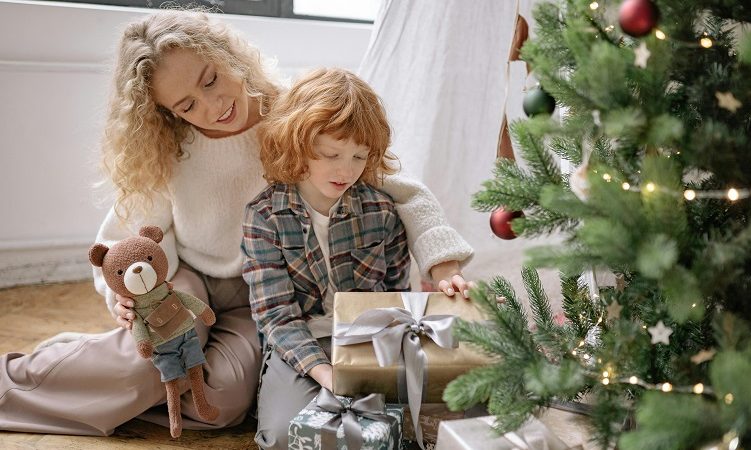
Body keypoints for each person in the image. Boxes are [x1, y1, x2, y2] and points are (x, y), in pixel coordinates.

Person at [0, 10, 473, 436]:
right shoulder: (169, 151)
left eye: (210, 80)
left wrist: (443, 265)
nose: (211, 107)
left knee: (222, 403)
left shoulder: (294, 113)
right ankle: (17, 382)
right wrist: (123, 295)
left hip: (262, 293)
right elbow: (125, 240)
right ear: (167, 113)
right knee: (154, 362)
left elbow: (402, 187)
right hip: (190, 281)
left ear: (228, 56)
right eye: (185, 105)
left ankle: (118, 386)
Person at [243, 68, 423, 449]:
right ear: (297, 143)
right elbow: (276, 316)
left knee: (399, 425)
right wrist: (325, 373)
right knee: (280, 436)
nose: (347, 170)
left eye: (360, 156)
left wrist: (377, 364)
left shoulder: (382, 211)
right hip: (299, 344)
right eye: (330, 154)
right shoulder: (263, 216)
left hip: (367, 341)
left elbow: (395, 294)